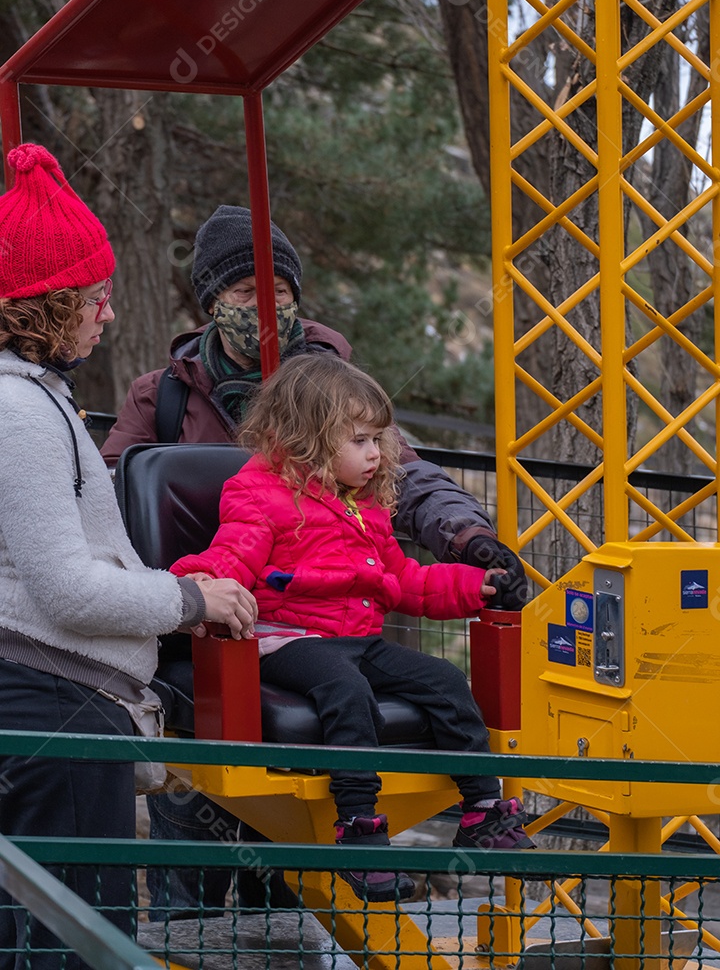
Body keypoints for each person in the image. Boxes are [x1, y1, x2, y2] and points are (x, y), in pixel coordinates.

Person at [100, 203, 529, 916]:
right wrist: (172, 598)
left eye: (282, 294)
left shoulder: (338, 400)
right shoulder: (167, 396)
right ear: (213, 302)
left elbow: (406, 484)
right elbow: (119, 506)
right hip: (236, 639)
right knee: (197, 873)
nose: (267, 308)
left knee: (288, 894)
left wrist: (467, 545)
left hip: (336, 629)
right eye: (246, 295)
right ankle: (200, 922)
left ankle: (468, 808)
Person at [0, 143, 257, 968]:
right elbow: (69, 591)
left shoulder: (36, 402)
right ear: (46, 305)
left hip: (51, 712)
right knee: (76, 949)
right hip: (54, 716)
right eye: (95, 299)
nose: (106, 316)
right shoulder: (22, 414)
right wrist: (192, 601)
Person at [171, 354, 535, 904]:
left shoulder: (364, 507)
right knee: (345, 689)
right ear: (308, 437)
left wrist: (473, 587)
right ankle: (360, 827)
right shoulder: (259, 494)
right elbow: (231, 557)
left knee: (442, 679)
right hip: (285, 636)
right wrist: (190, 589)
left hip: (356, 638)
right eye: (360, 440)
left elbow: (403, 580)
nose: (375, 455)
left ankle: (483, 809)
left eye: (378, 441)